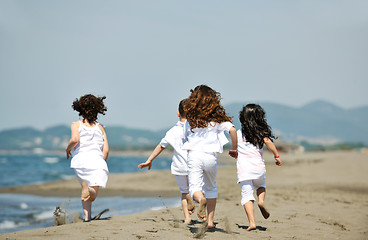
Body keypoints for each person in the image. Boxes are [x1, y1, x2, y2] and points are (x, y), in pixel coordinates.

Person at [182, 85, 238, 230]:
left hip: (194, 155)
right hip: (210, 157)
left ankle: (200, 200)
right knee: (211, 187)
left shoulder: (191, 119)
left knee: (194, 188)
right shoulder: (217, 119)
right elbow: (232, 130)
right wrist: (234, 148)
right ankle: (211, 221)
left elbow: (185, 137)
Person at [138, 99, 195, 225]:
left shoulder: (172, 131)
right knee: (197, 189)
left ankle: (187, 219)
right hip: (194, 165)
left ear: (177, 113)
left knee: (184, 192)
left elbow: (161, 146)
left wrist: (149, 160)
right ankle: (195, 200)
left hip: (179, 166)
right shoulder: (195, 128)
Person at [237, 104, 282, 231]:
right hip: (258, 168)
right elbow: (268, 142)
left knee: (246, 196)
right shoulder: (261, 133)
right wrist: (276, 156)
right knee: (261, 186)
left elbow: (234, 146)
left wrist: (234, 151)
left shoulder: (239, 133)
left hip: (244, 169)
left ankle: (252, 223)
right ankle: (261, 201)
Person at [66, 94, 109, 222]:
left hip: (80, 161)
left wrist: (68, 149)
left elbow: (74, 140)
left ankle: (87, 218)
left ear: (80, 109)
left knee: (85, 192)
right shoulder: (100, 127)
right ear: (97, 109)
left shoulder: (76, 125)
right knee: (92, 193)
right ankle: (88, 189)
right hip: (96, 161)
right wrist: (102, 162)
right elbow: (106, 149)